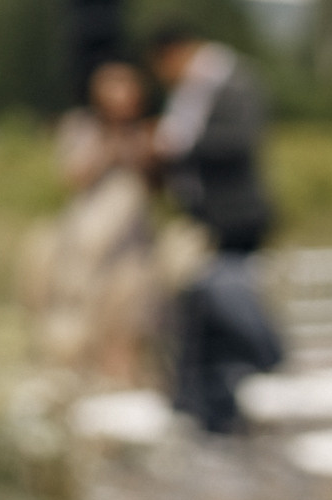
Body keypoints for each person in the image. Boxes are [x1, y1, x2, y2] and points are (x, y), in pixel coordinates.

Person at [148, 22, 284, 433]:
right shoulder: (195, 91)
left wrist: (178, 147)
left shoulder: (233, 81)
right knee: (204, 310)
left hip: (235, 215)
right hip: (206, 216)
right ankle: (209, 404)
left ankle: (268, 354)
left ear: (176, 52)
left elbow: (240, 141)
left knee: (226, 299)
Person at [22, 61, 159, 384]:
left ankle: (122, 382)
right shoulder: (81, 126)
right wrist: (110, 146)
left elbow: (158, 184)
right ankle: (82, 381)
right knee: (79, 313)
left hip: (133, 241)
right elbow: (72, 177)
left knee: (129, 318)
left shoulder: (148, 131)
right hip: (87, 238)